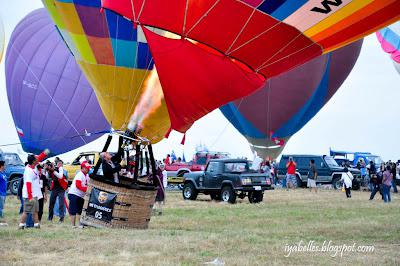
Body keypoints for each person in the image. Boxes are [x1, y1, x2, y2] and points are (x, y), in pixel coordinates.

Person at [19, 150, 49, 229]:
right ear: (33, 162)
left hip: (35, 193)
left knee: (35, 211)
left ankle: (36, 225)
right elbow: (28, 185)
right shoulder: (28, 171)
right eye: (36, 159)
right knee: (26, 211)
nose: (37, 159)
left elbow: (39, 157)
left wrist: (45, 153)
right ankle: (21, 225)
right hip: (30, 194)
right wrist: (30, 197)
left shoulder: (33, 165)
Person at [68, 161, 91, 228]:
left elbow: (89, 184)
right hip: (74, 194)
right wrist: (87, 190)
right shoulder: (79, 174)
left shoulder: (86, 175)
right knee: (73, 210)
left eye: (88, 168)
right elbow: (78, 185)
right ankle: (73, 225)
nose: (88, 169)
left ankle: (80, 224)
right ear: (83, 168)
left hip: (80, 195)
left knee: (80, 210)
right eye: (87, 168)